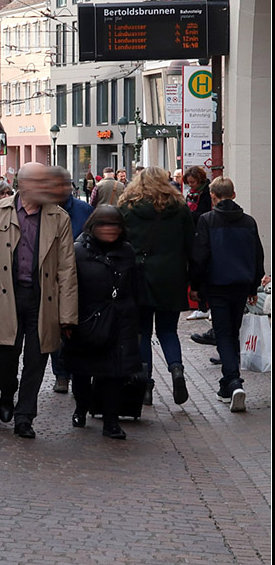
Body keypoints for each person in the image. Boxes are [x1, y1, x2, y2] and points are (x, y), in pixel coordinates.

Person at [0, 161, 79, 439]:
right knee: (5, 355)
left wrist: (67, 315)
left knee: (36, 358)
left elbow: (67, 269)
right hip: (5, 296)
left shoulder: (59, 218)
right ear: (24, 185)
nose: (46, 188)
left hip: (43, 299)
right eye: (40, 183)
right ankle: (7, 391)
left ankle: (25, 416)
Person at [118, 167, 195, 406]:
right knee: (168, 331)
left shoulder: (128, 208)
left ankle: (146, 385)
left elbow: (118, 242)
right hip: (171, 277)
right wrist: (193, 280)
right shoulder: (180, 209)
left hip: (139, 277)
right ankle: (176, 369)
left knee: (142, 332)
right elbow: (192, 246)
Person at [65, 206, 144, 440]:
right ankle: (81, 407)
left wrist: (135, 317)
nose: (110, 230)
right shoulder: (77, 251)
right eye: (104, 225)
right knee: (82, 372)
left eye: (115, 225)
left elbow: (135, 286)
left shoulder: (127, 252)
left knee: (115, 375)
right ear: (93, 227)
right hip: (87, 321)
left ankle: (111, 421)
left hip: (120, 321)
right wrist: (68, 320)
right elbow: (69, 288)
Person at [191, 177, 265, 412]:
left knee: (223, 333)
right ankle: (227, 384)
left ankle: (233, 380)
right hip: (241, 284)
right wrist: (254, 287)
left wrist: (197, 285)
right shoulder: (248, 222)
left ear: (212, 196)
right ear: (233, 195)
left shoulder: (207, 220)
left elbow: (201, 256)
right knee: (232, 332)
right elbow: (257, 254)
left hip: (217, 284)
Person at [47, 167, 95, 394]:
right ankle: (61, 374)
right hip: (52, 279)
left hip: (82, 278)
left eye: (62, 185)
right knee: (56, 330)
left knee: (77, 329)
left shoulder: (85, 210)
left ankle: (78, 373)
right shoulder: (42, 210)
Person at [182, 166, 213, 323]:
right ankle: (202, 306)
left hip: (201, 234)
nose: (191, 185)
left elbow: (205, 214)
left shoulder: (206, 193)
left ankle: (204, 306)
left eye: (193, 182)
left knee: (201, 268)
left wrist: (189, 214)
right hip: (193, 232)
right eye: (189, 183)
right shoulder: (192, 193)